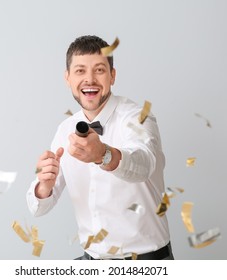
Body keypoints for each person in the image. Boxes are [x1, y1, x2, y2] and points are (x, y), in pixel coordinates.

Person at [27, 35, 174, 260]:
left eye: (99, 70)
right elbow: (37, 208)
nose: (89, 79)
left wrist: (103, 155)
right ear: (67, 78)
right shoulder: (64, 129)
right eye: (80, 71)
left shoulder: (137, 118)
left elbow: (143, 164)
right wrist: (44, 186)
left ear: (112, 76)